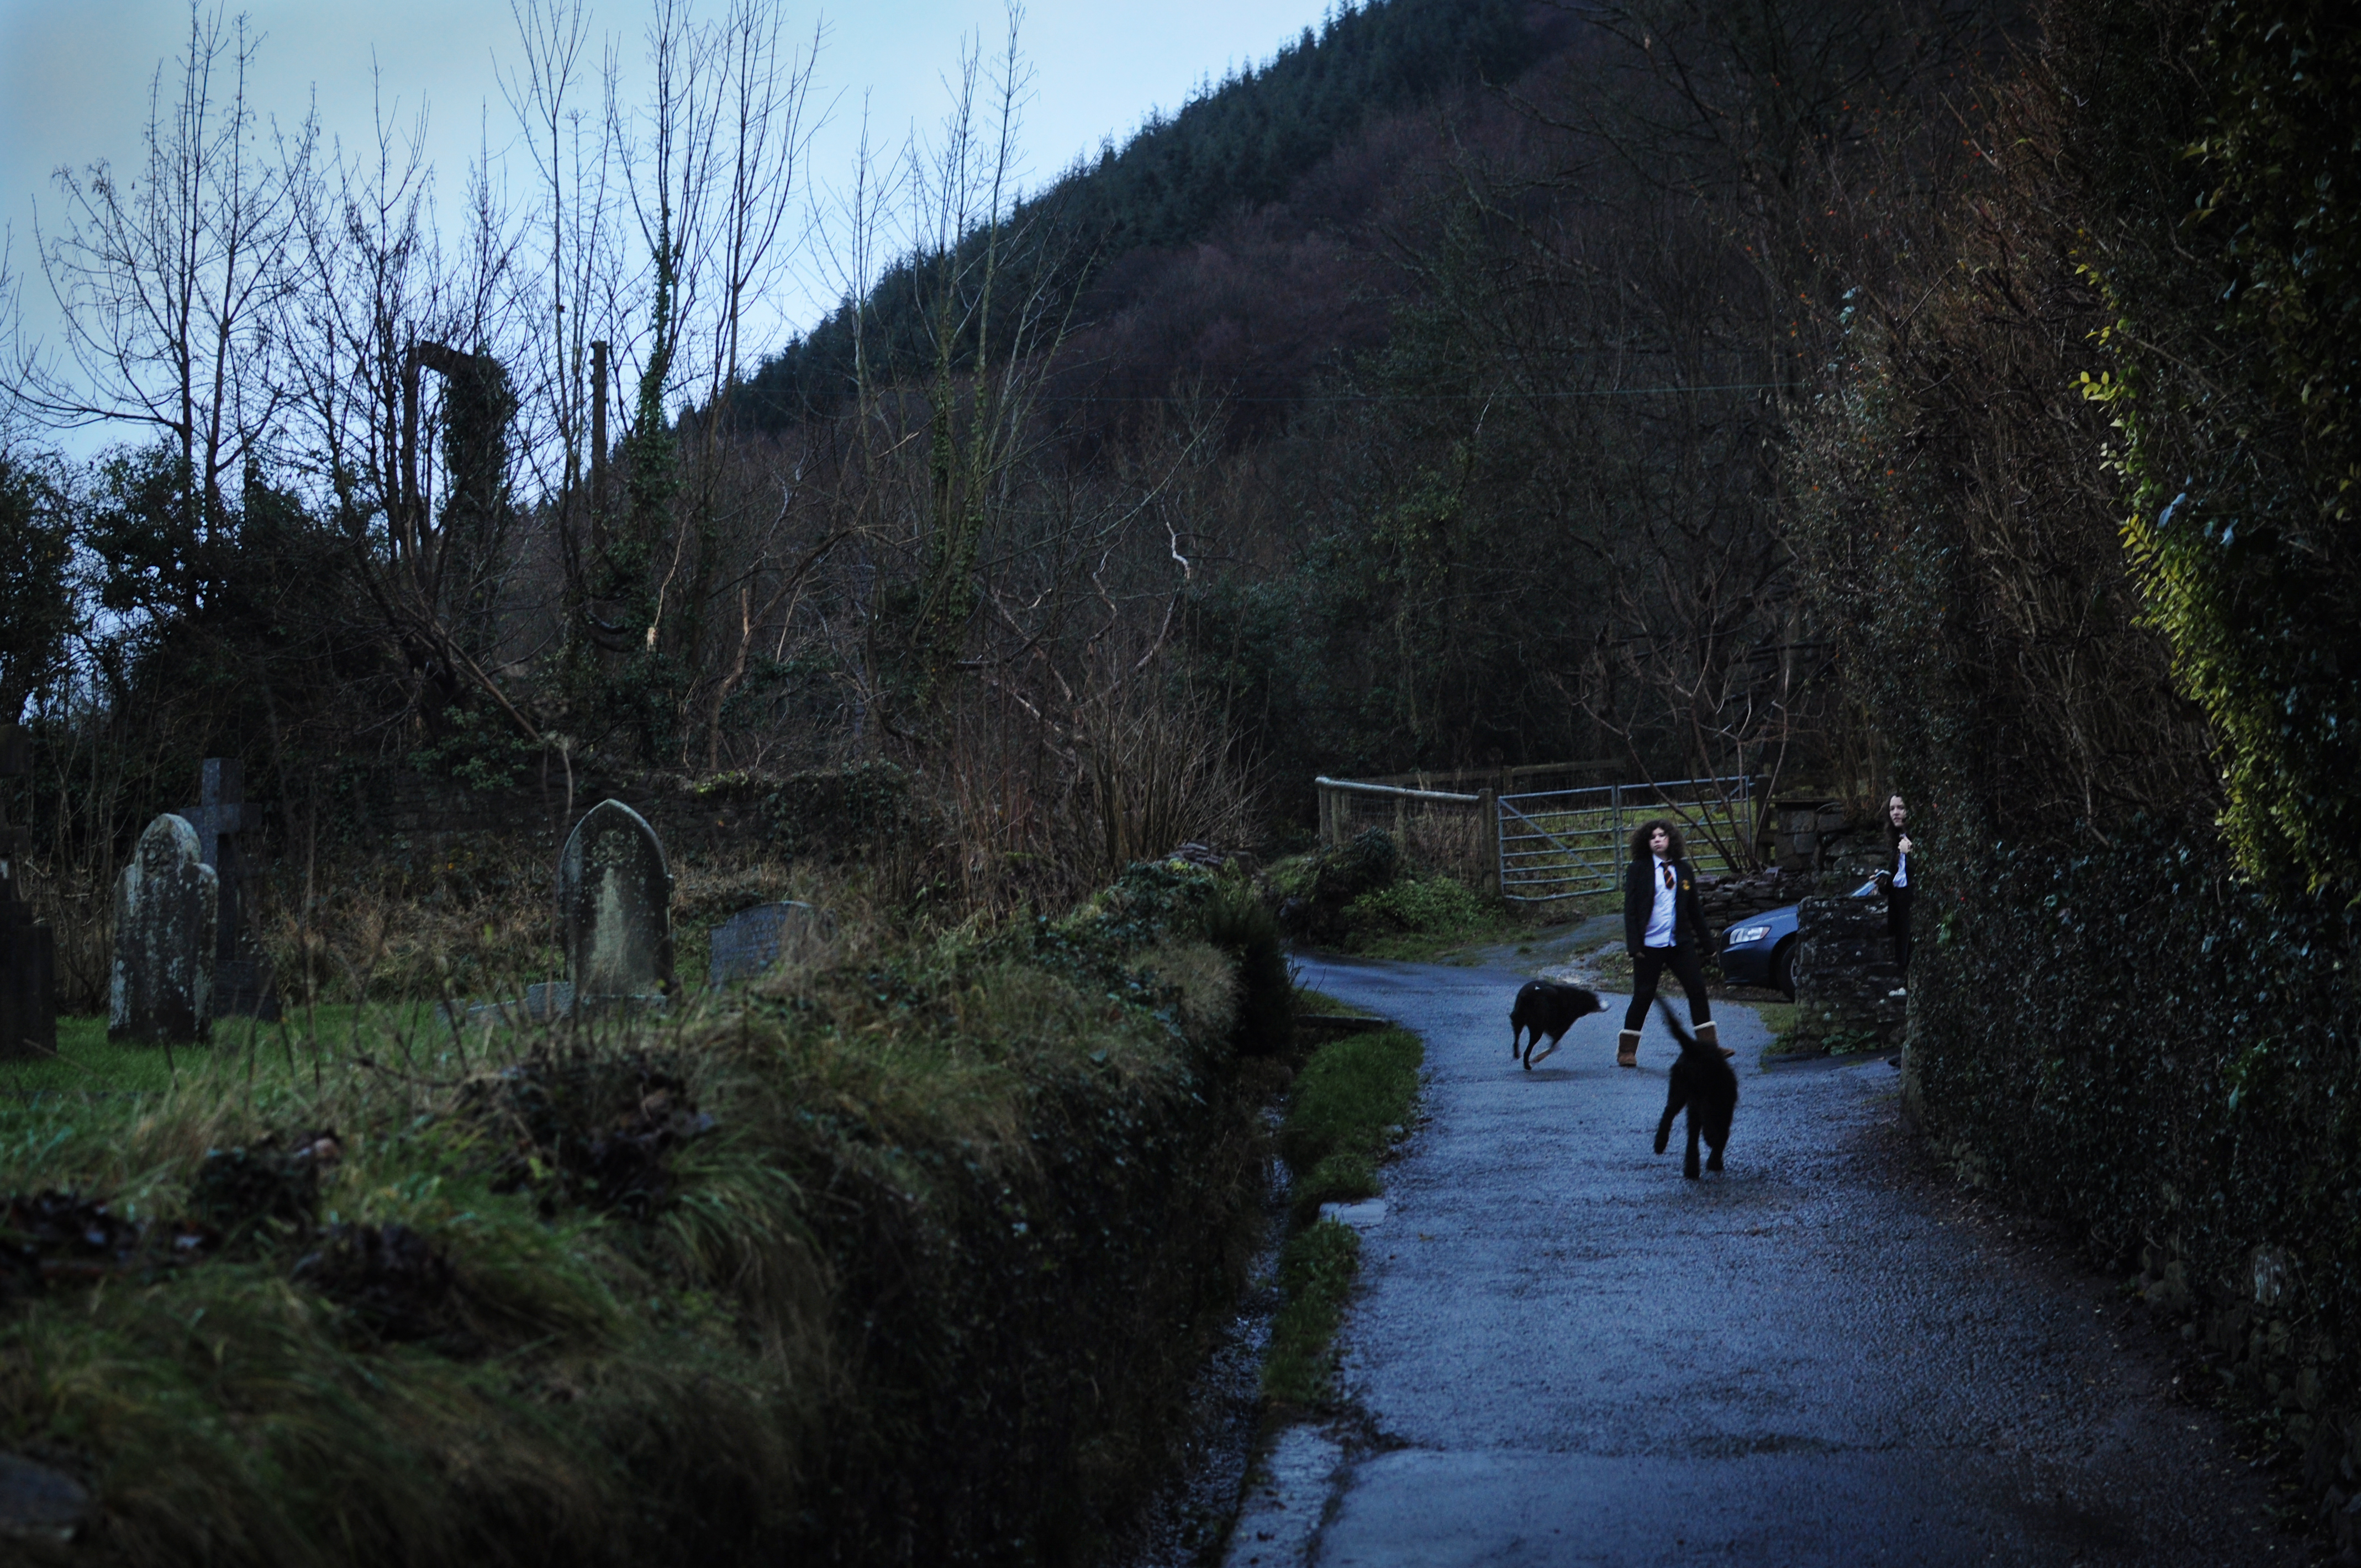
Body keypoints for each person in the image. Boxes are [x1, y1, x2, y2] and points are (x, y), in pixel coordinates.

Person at [1617, 820, 1728, 1066]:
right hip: (1649, 945)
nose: (1658, 840)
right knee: (1644, 994)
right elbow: (1630, 910)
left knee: (1697, 989)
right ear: (1646, 843)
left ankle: (1709, 1047)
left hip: (1679, 942)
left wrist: (1709, 946)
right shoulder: (1638, 869)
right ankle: (1627, 1051)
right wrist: (1634, 946)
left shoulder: (1684, 870)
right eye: (1653, 837)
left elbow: (1694, 911)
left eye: (1662, 835)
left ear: (1671, 839)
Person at [1877, 794, 1914, 988]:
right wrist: (1882, 882)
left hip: (1914, 905)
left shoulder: (1916, 838)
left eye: (1901, 808)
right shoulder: (1895, 841)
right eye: (1892, 809)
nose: (1896, 813)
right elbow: (1895, 879)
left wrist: (1911, 852)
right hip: (1898, 905)